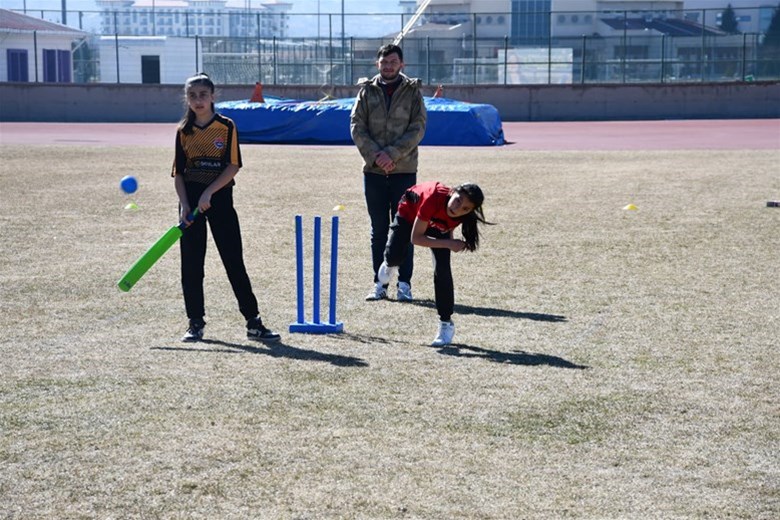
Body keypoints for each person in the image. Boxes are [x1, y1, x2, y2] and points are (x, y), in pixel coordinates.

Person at [172, 72, 280, 343]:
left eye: (203, 95)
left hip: (219, 198)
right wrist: (186, 205)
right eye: (192, 95)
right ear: (187, 98)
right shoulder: (183, 131)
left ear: (212, 97)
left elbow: (233, 166)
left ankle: (253, 322)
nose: (198, 100)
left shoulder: (226, 126)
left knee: (233, 261)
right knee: (192, 265)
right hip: (190, 204)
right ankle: (195, 322)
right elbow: (179, 173)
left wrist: (209, 191)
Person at [350, 43, 427, 302]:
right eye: (384, 62)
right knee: (379, 229)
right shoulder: (366, 91)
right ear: (377, 64)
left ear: (401, 64)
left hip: (403, 170)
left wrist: (391, 154)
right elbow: (356, 126)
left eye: (393, 62)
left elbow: (418, 128)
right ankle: (379, 284)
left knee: (404, 228)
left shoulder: (412, 91)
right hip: (373, 172)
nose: (388, 66)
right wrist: (376, 156)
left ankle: (404, 283)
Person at [376, 181, 493, 346]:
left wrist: (449, 240)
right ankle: (389, 263)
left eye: (465, 208)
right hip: (410, 212)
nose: (457, 209)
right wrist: (449, 244)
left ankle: (446, 323)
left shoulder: (463, 214)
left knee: (443, 270)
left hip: (434, 221)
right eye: (458, 200)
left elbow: (448, 223)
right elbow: (416, 238)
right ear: (452, 192)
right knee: (394, 256)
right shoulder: (433, 198)